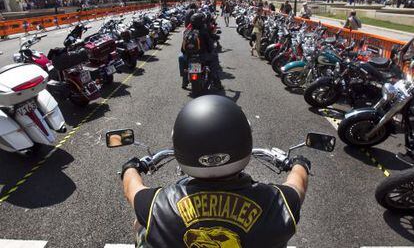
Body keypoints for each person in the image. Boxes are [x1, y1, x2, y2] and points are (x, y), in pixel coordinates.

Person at [121, 95, 309, 247]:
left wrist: (131, 167)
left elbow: (132, 189)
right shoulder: (280, 203)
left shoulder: (157, 205)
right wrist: (299, 163)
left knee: (140, 224)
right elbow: (297, 183)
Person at [179, 13, 223, 90]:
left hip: (189, 57)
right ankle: (217, 83)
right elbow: (210, 47)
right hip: (203, 57)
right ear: (201, 22)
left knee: (181, 58)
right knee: (214, 58)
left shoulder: (187, 32)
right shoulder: (204, 32)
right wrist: (211, 49)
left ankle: (184, 81)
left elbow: (182, 49)